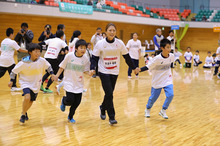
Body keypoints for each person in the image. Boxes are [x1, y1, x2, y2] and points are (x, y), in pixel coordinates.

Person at [90, 23, 139, 125]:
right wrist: (92, 69)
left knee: (109, 93)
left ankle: (103, 107)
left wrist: (134, 68)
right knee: (109, 93)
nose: (112, 32)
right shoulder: (100, 44)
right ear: (106, 32)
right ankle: (111, 117)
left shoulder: (119, 43)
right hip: (103, 71)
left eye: (113, 30)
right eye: (110, 30)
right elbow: (94, 58)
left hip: (115, 71)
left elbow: (127, 57)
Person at [8, 43, 56, 124]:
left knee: (31, 101)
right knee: (27, 97)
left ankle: (25, 111)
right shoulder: (24, 62)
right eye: (35, 51)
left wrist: (52, 74)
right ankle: (23, 114)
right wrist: (11, 80)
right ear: (30, 52)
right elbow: (13, 71)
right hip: (25, 82)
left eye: (39, 51)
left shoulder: (42, 60)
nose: (38, 53)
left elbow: (48, 67)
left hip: (36, 83)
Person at [138, 38, 174, 119]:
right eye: (167, 47)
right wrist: (139, 70)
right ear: (162, 48)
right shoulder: (156, 59)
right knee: (153, 98)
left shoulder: (172, 56)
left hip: (167, 80)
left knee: (170, 95)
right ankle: (148, 108)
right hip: (157, 81)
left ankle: (163, 110)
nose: (169, 49)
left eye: (170, 47)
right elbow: (148, 66)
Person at [55, 39, 90, 123]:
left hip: (79, 82)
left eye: (85, 48)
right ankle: (64, 100)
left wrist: (90, 73)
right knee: (70, 100)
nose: (83, 50)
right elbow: (62, 66)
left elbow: (85, 71)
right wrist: (57, 75)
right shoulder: (69, 56)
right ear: (76, 48)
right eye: (81, 48)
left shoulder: (85, 59)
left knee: (77, 102)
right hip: (69, 81)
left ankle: (70, 117)